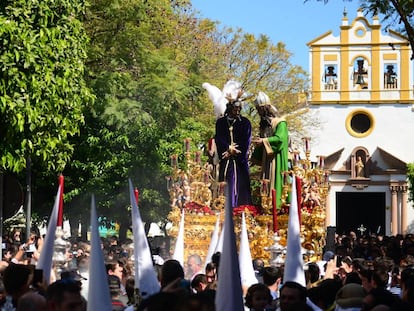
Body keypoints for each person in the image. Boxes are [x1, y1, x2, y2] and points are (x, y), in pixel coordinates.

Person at [214, 84, 252, 207]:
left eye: (239, 109)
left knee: (241, 185)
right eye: (235, 109)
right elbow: (218, 138)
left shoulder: (245, 123)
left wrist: (235, 150)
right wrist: (227, 148)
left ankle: (241, 209)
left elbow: (246, 140)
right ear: (230, 108)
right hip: (226, 161)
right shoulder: (221, 122)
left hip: (239, 161)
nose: (237, 111)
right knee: (226, 182)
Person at [252, 92, 289, 212]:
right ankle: (265, 206)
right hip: (266, 159)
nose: (258, 112)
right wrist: (254, 156)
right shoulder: (263, 125)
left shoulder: (280, 122)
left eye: (259, 109)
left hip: (276, 159)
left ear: (264, 109)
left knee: (275, 180)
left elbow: (280, 139)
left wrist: (263, 141)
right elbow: (262, 142)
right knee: (265, 181)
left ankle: (276, 206)